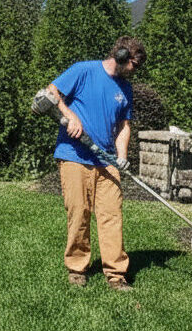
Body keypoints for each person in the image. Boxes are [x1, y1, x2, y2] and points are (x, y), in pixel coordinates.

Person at [47, 36, 146, 292]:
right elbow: (51, 92)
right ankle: (77, 268)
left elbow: (124, 125)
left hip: (107, 160)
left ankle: (116, 274)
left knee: (112, 215)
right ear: (122, 56)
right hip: (74, 155)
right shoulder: (84, 70)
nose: (136, 71)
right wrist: (71, 117)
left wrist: (122, 157)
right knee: (79, 212)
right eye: (135, 64)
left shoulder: (125, 89)